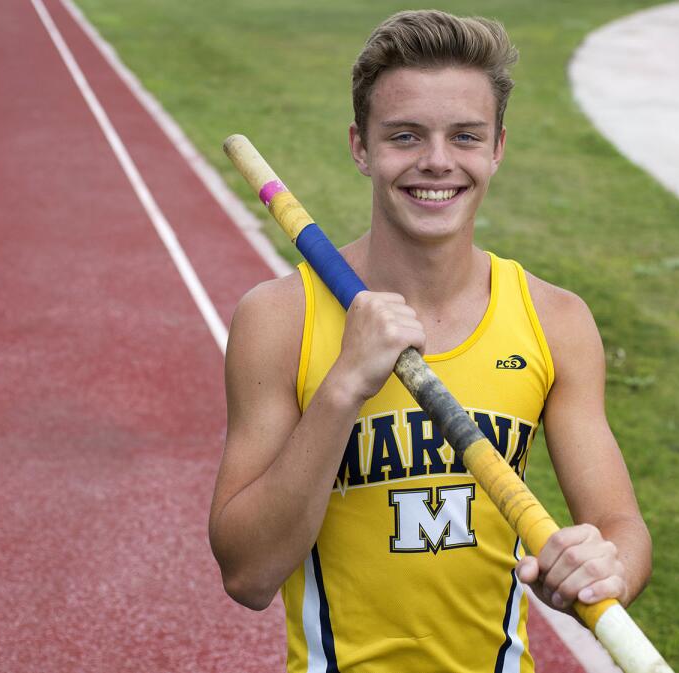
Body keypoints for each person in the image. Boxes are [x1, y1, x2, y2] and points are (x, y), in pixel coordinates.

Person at [209, 9, 651, 672]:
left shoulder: (553, 320)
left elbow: (624, 529)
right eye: (406, 136)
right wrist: (344, 386)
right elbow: (247, 574)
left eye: (465, 136)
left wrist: (604, 566)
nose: (437, 162)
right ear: (361, 146)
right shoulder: (280, 318)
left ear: (498, 147)